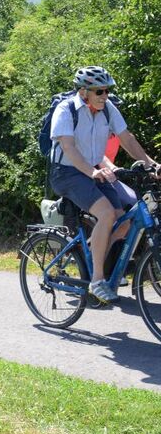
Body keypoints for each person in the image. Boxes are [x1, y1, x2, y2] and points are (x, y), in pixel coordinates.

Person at [50, 66, 160, 303]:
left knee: (125, 219)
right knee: (107, 213)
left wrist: (152, 165)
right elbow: (68, 147)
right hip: (66, 173)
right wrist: (92, 171)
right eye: (99, 91)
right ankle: (97, 280)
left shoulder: (107, 109)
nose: (105, 96)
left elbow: (127, 138)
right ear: (83, 92)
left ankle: (90, 253)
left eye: (107, 91)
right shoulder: (66, 109)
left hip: (93, 171)